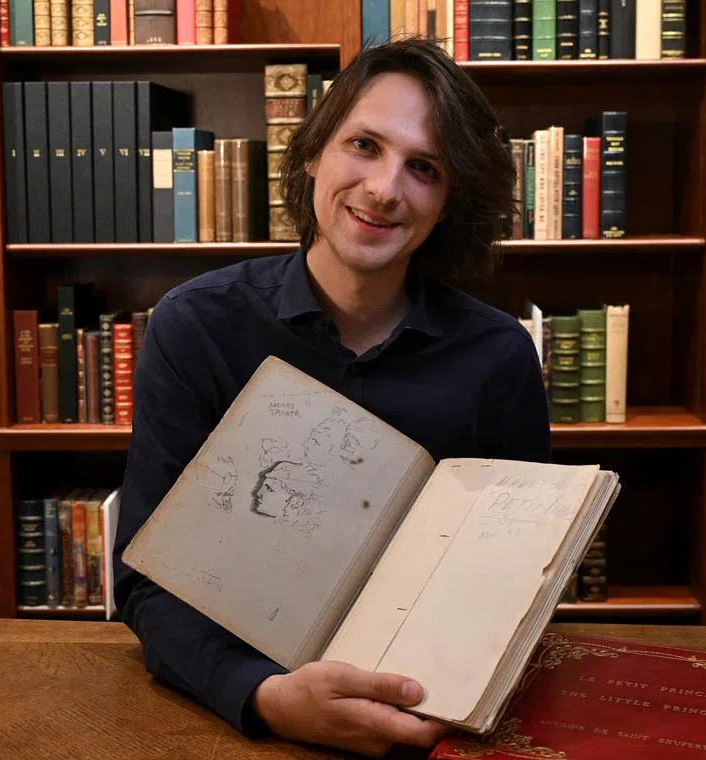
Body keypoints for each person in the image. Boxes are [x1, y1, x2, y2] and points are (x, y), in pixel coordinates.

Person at [114, 38, 551, 758]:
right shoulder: (196, 327)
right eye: (364, 145)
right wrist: (265, 697)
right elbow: (145, 584)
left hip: (431, 719)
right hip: (235, 724)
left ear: (448, 202)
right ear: (314, 152)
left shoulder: (499, 356)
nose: (384, 188)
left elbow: (519, 587)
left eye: (424, 168)